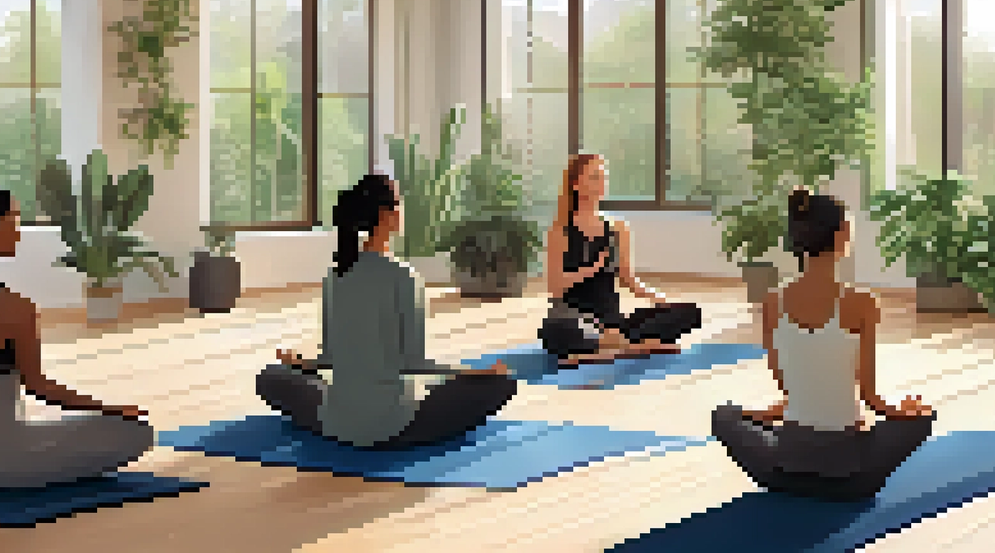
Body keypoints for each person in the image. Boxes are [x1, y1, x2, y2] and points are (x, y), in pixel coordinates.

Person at [0, 183, 154, 489]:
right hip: (3, 461)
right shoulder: (16, 307)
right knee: (136, 432)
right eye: (14, 221)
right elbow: (38, 386)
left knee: (43, 434)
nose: (19, 232)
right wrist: (111, 408)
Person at [261, 173, 518, 448]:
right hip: (394, 425)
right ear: (387, 215)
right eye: (399, 203)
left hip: (338, 422)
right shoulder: (404, 276)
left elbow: (331, 358)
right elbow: (414, 364)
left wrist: (303, 363)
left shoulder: (334, 275)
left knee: (271, 377)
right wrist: (475, 372)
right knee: (502, 383)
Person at [711, 187, 935, 502]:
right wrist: (906, 411)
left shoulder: (772, 303)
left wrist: (760, 414)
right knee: (924, 417)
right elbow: (871, 397)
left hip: (783, 470)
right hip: (852, 480)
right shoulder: (863, 303)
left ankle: (787, 442)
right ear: (843, 234)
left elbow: (788, 388)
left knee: (724, 415)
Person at [538, 153, 704, 365]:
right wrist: (590, 269)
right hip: (574, 318)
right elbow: (555, 287)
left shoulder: (618, 228)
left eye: (604, 177)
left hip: (612, 322)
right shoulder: (560, 231)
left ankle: (609, 347)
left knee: (691, 313)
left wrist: (662, 299)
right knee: (555, 332)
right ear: (576, 185)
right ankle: (628, 346)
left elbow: (629, 280)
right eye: (595, 177)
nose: (602, 183)